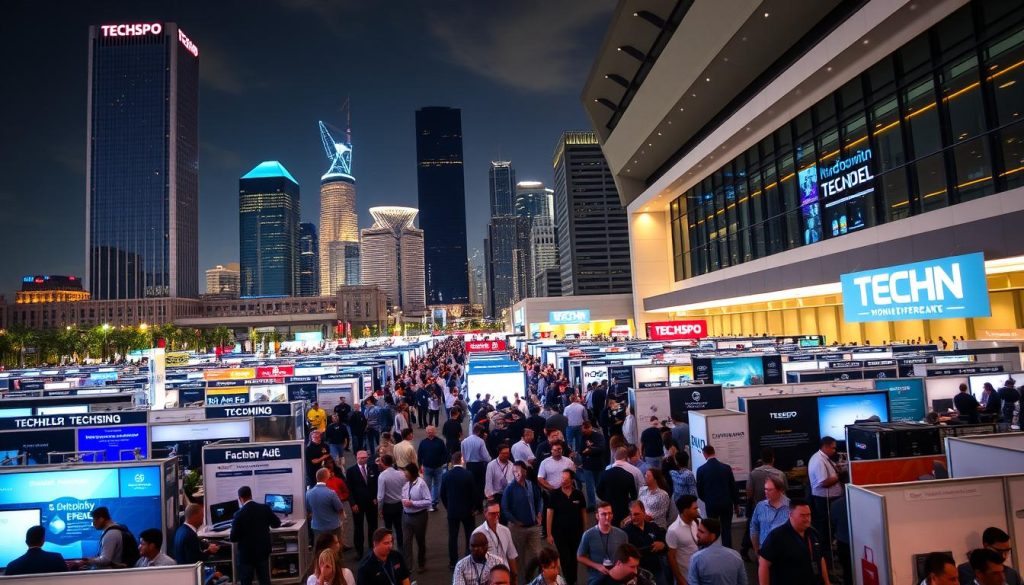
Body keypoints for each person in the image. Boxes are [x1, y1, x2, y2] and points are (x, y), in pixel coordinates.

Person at [757, 499, 829, 585]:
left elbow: (821, 559)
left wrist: (827, 582)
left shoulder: (814, 534)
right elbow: (764, 564)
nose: (807, 519)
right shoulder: (777, 536)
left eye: (809, 515)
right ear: (790, 515)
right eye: (802, 515)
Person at [230, 485, 282, 585]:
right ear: (251, 495)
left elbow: (233, 538)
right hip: (262, 552)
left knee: (246, 581)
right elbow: (277, 523)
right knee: (264, 580)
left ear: (240, 498)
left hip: (246, 555)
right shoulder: (264, 508)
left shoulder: (238, 514)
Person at [502, 461, 544, 583]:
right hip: (517, 529)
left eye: (519, 471)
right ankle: (521, 581)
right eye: (514, 471)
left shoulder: (531, 485)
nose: (517, 474)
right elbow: (505, 508)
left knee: (538, 555)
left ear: (525, 471)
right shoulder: (509, 489)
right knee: (518, 558)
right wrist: (514, 521)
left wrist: (539, 513)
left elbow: (539, 500)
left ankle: (539, 579)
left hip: (533, 527)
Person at [547, 469, 588, 585]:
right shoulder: (554, 494)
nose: (563, 481)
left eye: (566, 479)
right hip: (560, 533)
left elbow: (583, 513)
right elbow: (549, 514)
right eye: (562, 479)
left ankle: (573, 580)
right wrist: (549, 534)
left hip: (576, 532)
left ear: (572, 480)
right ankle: (568, 580)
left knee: (575, 557)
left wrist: (584, 532)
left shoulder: (578, 495)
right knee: (565, 558)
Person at [694, 445, 739, 548]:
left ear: (704, 454)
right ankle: (727, 550)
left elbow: (699, 491)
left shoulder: (701, 470)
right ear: (714, 452)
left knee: (711, 529)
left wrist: (707, 500)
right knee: (726, 529)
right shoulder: (726, 468)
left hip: (711, 504)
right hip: (726, 503)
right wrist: (736, 503)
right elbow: (733, 487)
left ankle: (713, 549)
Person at [443, 451, 481, 568]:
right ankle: (469, 558)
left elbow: (442, 494)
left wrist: (448, 507)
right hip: (467, 511)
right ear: (461, 460)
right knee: (469, 534)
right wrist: (475, 507)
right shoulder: (468, 475)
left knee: (452, 537)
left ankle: (453, 562)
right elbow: (474, 493)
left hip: (452, 511)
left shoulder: (446, 475)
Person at [577, 501, 629, 585]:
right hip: (596, 578)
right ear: (597, 516)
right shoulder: (588, 535)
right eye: (604, 514)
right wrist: (597, 566)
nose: (607, 517)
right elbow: (580, 557)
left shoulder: (622, 534)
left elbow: (627, 556)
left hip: (617, 576)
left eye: (610, 513)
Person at [807, 437, 841, 563]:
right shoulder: (819, 461)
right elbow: (823, 482)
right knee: (825, 530)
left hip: (829, 499)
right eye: (833, 447)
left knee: (828, 529)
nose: (834, 450)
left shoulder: (823, 458)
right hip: (825, 500)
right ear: (825, 447)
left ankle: (827, 555)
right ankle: (826, 558)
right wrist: (839, 477)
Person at [687, 518, 746, 585]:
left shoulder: (696, 559)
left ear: (712, 536)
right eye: (698, 530)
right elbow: (743, 582)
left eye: (701, 532)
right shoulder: (736, 556)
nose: (697, 534)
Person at [622, 500, 667, 585]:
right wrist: (649, 548)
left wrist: (662, 545)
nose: (633, 517)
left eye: (636, 514)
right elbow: (627, 553)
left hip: (657, 570)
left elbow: (665, 546)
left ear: (643, 512)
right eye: (631, 514)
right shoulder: (626, 532)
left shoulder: (653, 527)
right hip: (638, 573)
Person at [957, 527, 1022, 585]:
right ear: (986, 546)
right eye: (999, 551)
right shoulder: (964, 571)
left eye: (1007, 551)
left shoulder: (1012, 574)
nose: (1004, 556)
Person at [474, 501, 520, 582]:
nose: (497, 516)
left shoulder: (505, 530)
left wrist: (514, 577)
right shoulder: (478, 534)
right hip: (488, 577)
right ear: (485, 513)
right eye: (493, 513)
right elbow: (476, 561)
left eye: (498, 513)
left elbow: (511, 555)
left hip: (505, 575)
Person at [345, 450, 379, 559]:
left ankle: (372, 548)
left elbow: (377, 484)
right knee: (358, 527)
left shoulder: (373, 468)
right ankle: (359, 551)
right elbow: (349, 489)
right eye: (361, 458)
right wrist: (353, 504)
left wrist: (376, 497)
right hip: (358, 504)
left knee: (373, 526)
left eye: (365, 457)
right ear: (357, 458)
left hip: (372, 503)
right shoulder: (351, 471)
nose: (364, 459)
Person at [400, 463, 431, 577]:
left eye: (406, 472)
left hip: (419, 517)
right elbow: (403, 496)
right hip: (406, 516)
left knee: (420, 541)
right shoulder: (405, 483)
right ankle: (408, 566)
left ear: (412, 473)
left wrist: (413, 503)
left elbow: (428, 501)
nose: (404, 474)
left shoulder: (421, 484)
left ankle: (421, 563)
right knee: (406, 542)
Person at [749, 476, 790, 555]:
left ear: (780, 490)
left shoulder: (790, 507)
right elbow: (754, 528)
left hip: (784, 551)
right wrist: (756, 550)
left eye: (770, 490)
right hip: (764, 549)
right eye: (765, 489)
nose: (766, 492)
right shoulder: (760, 506)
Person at [598, 449, 639, 526]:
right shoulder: (629, 475)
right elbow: (634, 496)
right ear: (626, 459)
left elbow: (598, 491)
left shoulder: (605, 474)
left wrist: (606, 498)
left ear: (614, 458)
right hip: (623, 509)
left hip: (608, 507)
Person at [666, 495, 701, 585]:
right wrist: (680, 580)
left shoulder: (698, 522)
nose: (697, 510)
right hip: (686, 577)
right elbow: (671, 557)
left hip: (700, 574)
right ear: (685, 511)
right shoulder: (673, 530)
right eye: (695, 508)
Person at [376, 453, 406, 549]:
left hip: (388, 506)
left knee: (388, 529)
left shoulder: (382, 476)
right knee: (399, 528)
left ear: (384, 463)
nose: (379, 463)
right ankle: (401, 547)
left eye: (380, 461)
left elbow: (380, 496)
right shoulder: (401, 474)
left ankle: (390, 547)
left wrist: (379, 509)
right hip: (399, 504)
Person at [307, 467, 344, 542]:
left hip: (317, 527)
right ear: (326, 477)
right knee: (335, 549)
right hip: (333, 526)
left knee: (320, 548)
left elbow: (308, 509)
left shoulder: (308, 493)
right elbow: (340, 508)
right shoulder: (331, 493)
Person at [417, 425, 449, 510]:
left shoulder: (440, 442)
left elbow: (445, 454)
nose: (429, 433)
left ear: (434, 432)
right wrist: (419, 465)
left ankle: (434, 502)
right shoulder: (423, 442)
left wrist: (442, 463)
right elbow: (419, 455)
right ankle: (428, 502)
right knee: (428, 486)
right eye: (428, 432)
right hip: (427, 468)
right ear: (426, 432)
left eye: (431, 431)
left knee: (437, 485)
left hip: (438, 467)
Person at [578, 421, 606, 509]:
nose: (584, 432)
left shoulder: (598, 436)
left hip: (598, 465)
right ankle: (591, 504)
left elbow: (601, 448)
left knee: (599, 485)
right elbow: (580, 450)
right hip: (587, 465)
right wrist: (587, 451)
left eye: (585, 430)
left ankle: (602, 503)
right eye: (583, 430)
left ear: (589, 427)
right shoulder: (583, 437)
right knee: (589, 486)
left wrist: (589, 450)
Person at [464, 423, 494, 505]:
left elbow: (463, 454)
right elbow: (486, 456)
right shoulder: (480, 441)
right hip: (479, 465)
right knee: (480, 485)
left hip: (469, 465)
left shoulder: (464, 441)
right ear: (479, 431)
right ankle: (479, 504)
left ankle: (472, 502)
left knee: (471, 484)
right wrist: (491, 460)